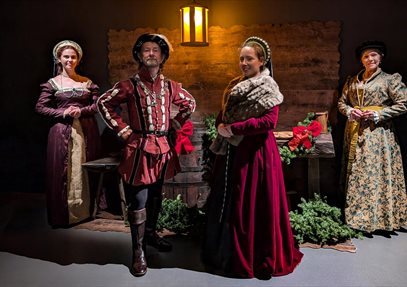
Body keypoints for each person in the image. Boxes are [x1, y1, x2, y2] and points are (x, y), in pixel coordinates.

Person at [202, 36, 303, 280]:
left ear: (261, 61)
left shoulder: (268, 86)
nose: (244, 63)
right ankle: (230, 253)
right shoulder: (235, 85)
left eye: (249, 58)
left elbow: (269, 122)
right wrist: (223, 125)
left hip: (256, 153)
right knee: (235, 201)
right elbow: (224, 114)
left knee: (255, 202)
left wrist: (234, 129)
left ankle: (257, 256)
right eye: (241, 59)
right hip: (234, 151)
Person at [97, 33, 196, 276]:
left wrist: (175, 123)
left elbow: (189, 104)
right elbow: (103, 102)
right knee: (138, 200)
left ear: (163, 57)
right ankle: (137, 251)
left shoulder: (170, 86)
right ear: (139, 56)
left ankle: (150, 235)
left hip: (162, 147)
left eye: (156, 50)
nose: (151, 53)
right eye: (146, 50)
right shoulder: (129, 85)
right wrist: (123, 129)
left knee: (155, 196)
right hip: (138, 147)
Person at [338, 40, 407, 235]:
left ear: (381, 57)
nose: (370, 59)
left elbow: (404, 103)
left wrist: (379, 114)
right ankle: (355, 217)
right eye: (366, 56)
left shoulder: (389, 80)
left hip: (377, 134)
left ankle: (377, 218)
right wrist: (351, 111)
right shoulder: (352, 81)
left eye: (374, 55)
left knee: (373, 173)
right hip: (354, 131)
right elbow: (341, 103)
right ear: (361, 60)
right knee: (356, 173)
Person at [35, 40, 101, 227]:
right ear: (59, 58)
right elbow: (40, 107)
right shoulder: (53, 84)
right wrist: (62, 112)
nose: (70, 60)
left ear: (78, 59)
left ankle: (85, 211)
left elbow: (97, 106)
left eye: (73, 57)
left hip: (85, 131)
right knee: (64, 170)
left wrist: (82, 111)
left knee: (83, 166)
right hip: (61, 133)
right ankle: (65, 214)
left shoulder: (86, 82)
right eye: (66, 56)